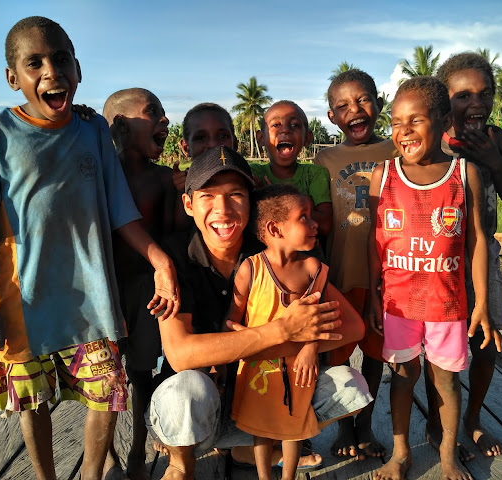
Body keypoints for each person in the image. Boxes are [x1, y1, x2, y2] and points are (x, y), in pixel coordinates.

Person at [0, 17, 178, 480]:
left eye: (60, 59)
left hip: (92, 301)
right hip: (22, 303)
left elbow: (120, 210)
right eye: (34, 63)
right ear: (14, 78)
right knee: (30, 402)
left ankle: (92, 475)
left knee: (106, 394)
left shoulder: (92, 130)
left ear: (78, 69)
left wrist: (160, 259)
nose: (51, 71)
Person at [146, 145, 373, 480]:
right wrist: (282, 331)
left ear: (251, 203)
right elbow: (180, 354)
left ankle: (250, 445)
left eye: (235, 194)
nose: (222, 209)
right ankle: (182, 463)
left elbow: (353, 328)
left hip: (262, 399)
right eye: (208, 196)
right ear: (188, 204)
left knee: (350, 384)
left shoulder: (276, 253)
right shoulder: (176, 257)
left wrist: (306, 344)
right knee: (186, 389)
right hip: (199, 410)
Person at [368, 76, 497, 480]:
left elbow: (475, 241)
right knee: (403, 377)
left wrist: (481, 304)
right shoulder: (384, 174)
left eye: (415, 120)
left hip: (447, 304)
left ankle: (446, 456)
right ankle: (401, 451)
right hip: (399, 304)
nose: (403, 131)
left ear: (442, 122)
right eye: (395, 122)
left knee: (446, 382)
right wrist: (375, 295)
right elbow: (377, 241)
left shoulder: (464, 173)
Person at [422, 52, 502, 459]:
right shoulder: (432, 137)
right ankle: (435, 421)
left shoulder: (496, 139)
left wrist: (492, 161)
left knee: (485, 339)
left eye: (485, 94)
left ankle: (474, 418)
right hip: (441, 259)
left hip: (485, 254)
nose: (476, 104)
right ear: (444, 99)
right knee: (439, 346)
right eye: (463, 95)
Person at [314, 69, 397, 460]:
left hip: (385, 280)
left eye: (363, 99)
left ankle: (365, 424)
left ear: (378, 103)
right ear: (332, 117)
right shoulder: (325, 158)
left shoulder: (397, 150)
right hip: (341, 276)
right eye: (343, 105)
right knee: (338, 357)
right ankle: (343, 425)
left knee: (377, 356)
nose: (355, 109)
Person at [227, 184, 336, 480]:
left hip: (298, 369)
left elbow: (322, 317)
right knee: (260, 431)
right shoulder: (251, 269)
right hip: (257, 368)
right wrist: (253, 342)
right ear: (275, 229)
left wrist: (311, 348)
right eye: (304, 217)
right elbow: (231, 323)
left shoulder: (314, 268)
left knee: (293, 426)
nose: (315, 223)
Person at [102, 87, 185, 479]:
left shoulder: (167, 180)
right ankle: (104, 456)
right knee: (101, 376)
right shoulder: (96, 175)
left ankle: (138, 449)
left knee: (140, 373)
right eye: (153, 112)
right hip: (103, 291)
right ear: (120, 123)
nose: (165, 120)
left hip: (146, 291)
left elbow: (174, 237)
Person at [252, 100, 333, 236]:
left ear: (307, 138)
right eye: (276, 125)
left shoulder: (314, 174)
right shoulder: (253, 173)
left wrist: (277, 200)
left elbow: (325, 225)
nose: (285, 130)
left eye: (295, 125)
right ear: (261, 138)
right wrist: (304, 206)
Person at [171, 102, 238, 193]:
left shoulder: (248, 181)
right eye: (201, 138)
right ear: (186, 148)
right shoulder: (177, 186)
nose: (213, 144)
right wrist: (181, 191)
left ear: (235, 143)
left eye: (222, 136)